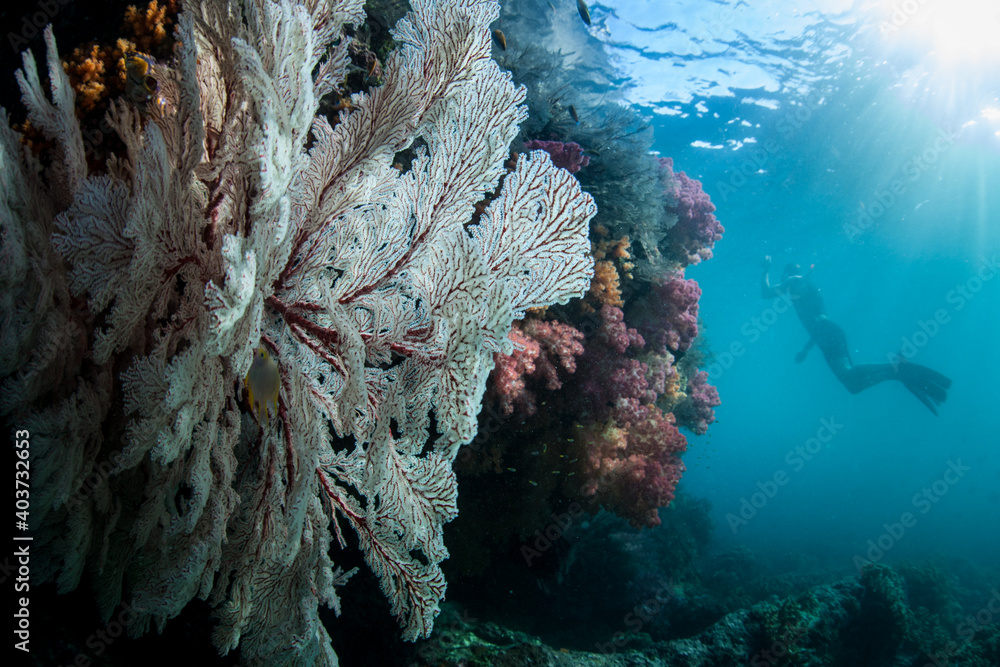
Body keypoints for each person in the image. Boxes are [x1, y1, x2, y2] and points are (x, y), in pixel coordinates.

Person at [760, 256, 951, 415]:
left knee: (849, 375)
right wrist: (806, 349)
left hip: (826, 333)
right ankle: (894, 373)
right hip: (828, 332)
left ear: (787, 274)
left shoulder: (794, 280)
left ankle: (895, 367)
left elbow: (766, 293)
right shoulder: (808, 286)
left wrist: (766, 269)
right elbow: (819, 323)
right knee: (853, 386)